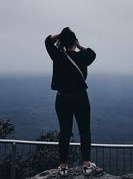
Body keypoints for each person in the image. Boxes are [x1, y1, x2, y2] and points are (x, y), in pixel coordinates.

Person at [45, 27, 97, 177]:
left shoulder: (57, 56)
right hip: (81, 97)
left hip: (63, 98)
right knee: (85, 131)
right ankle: (86, 165)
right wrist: (79, 45)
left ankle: (63, 167)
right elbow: (92, 53)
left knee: (65, 133)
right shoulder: (82, 57)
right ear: (74, 42)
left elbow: (47, 41)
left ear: (62, 41)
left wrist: (61, 35)